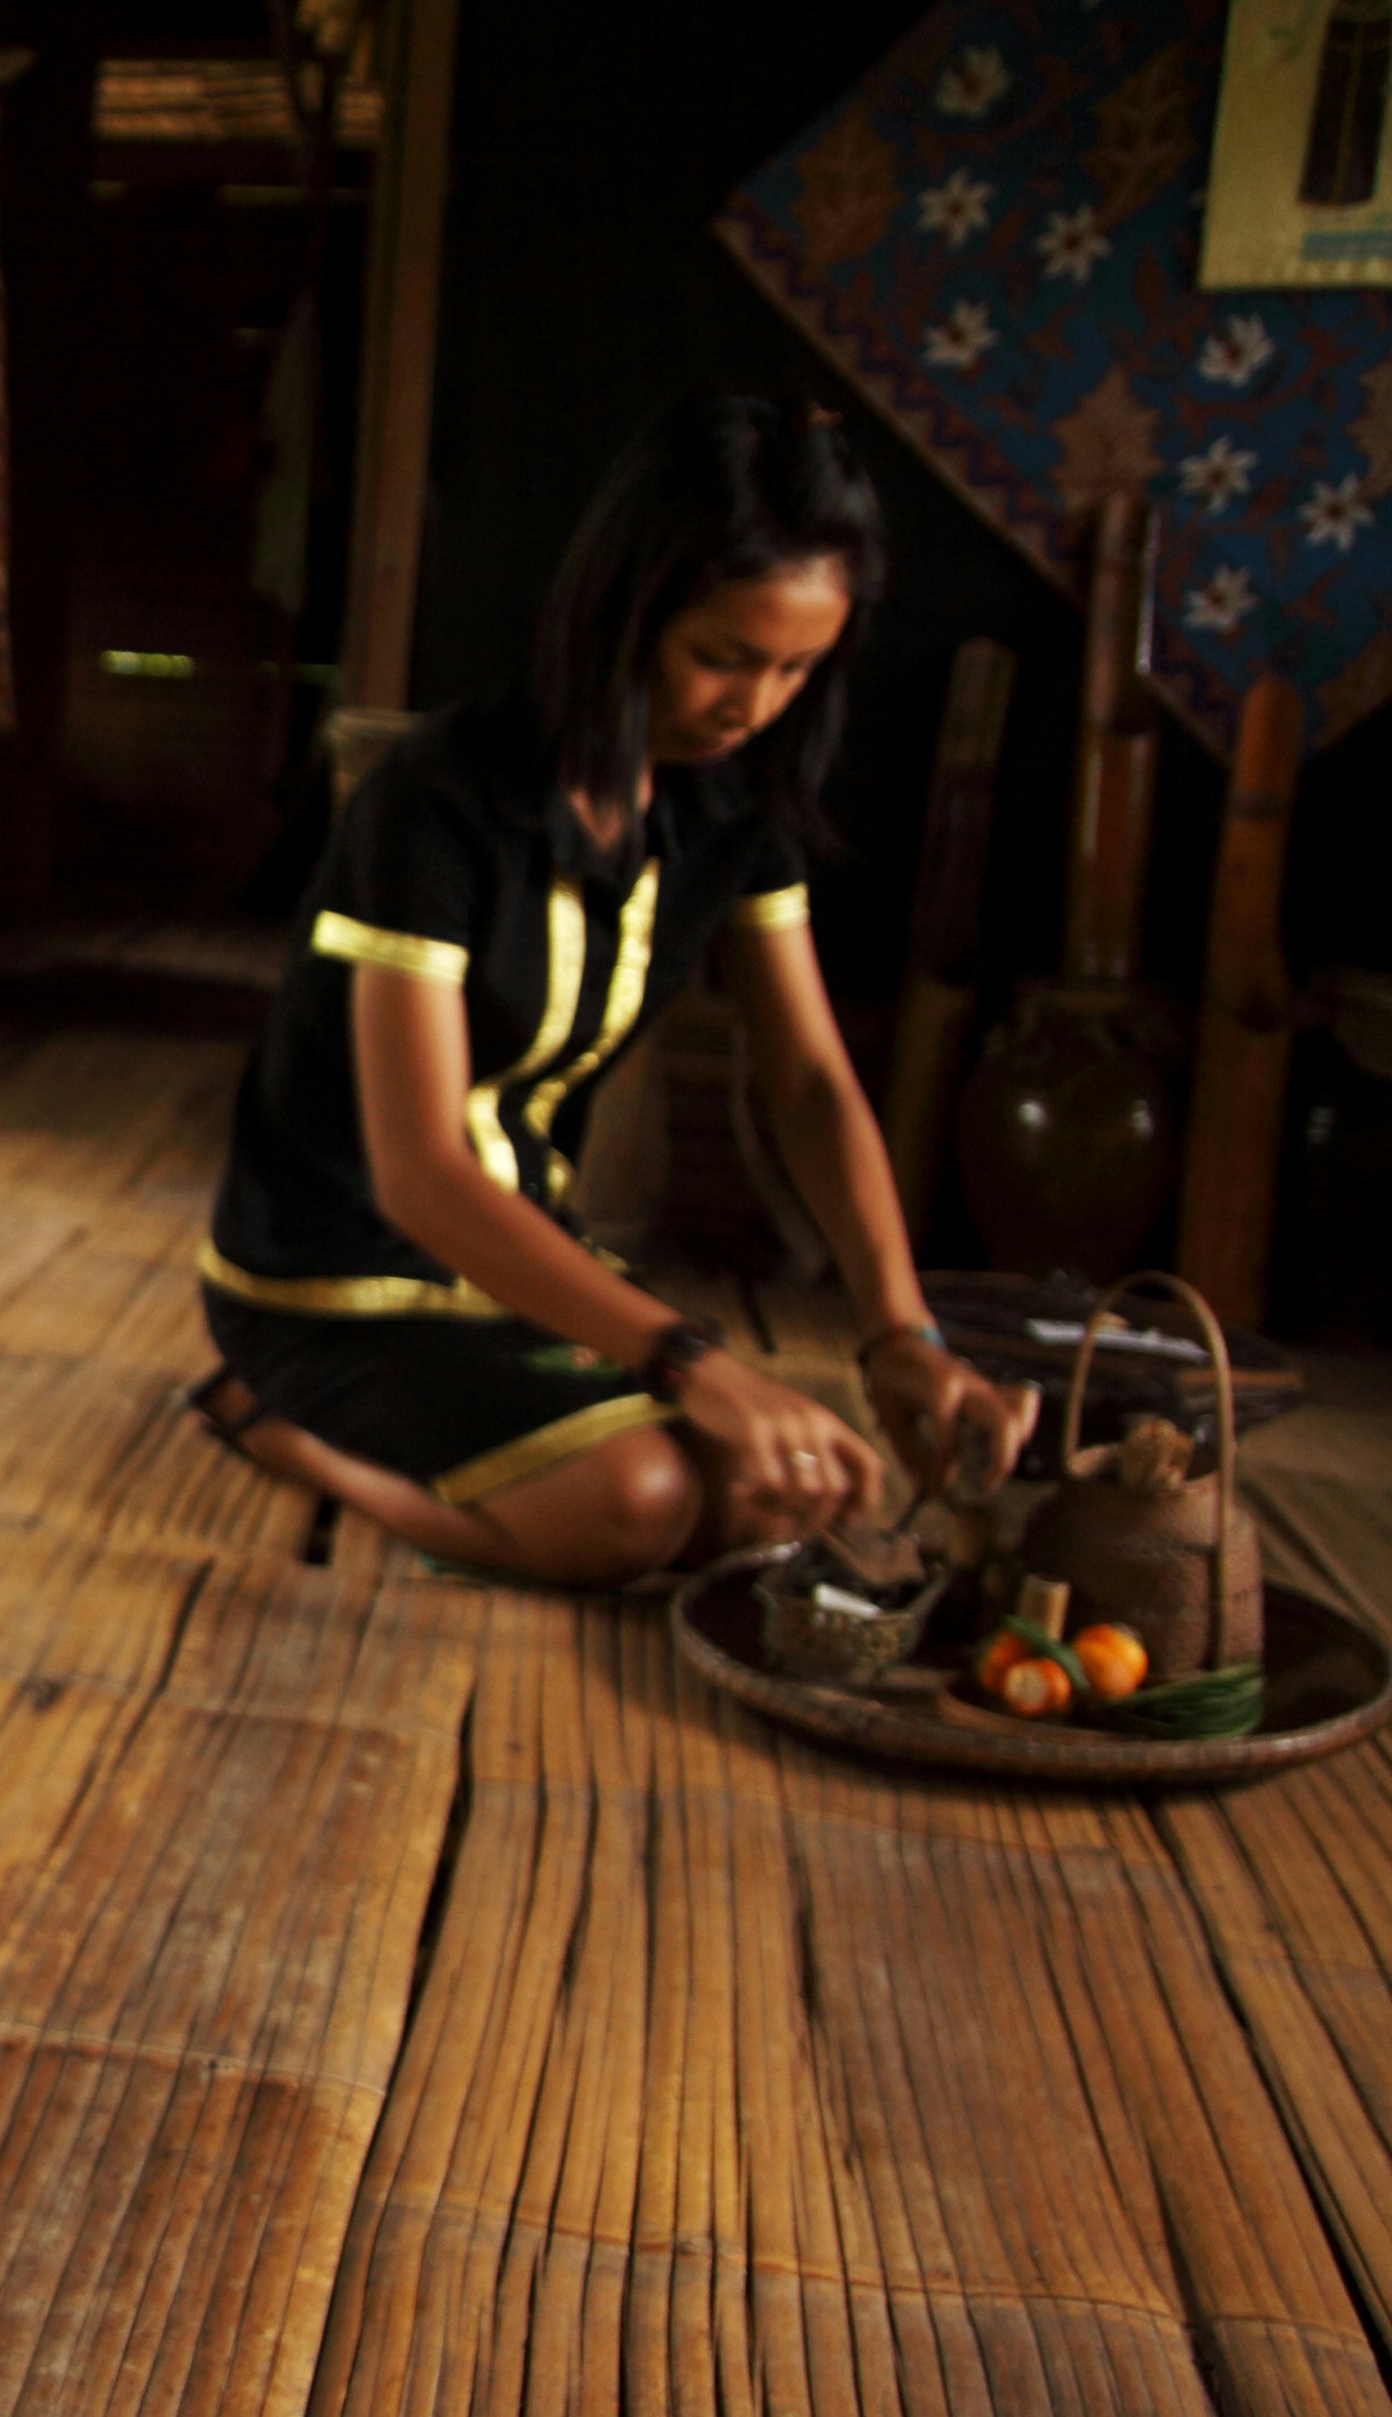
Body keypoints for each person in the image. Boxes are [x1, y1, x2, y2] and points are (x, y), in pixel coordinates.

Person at [192, 392, 1037, 1587]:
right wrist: (698, 1362)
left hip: (528, 1253)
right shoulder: (435, 800)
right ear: (624, 615)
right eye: (720, 658)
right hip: (332, 1271)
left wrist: (901, 1335)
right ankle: (275, 1426)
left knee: (768, 1496)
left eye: (797, 668)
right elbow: (419, 1171)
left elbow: (805, 1079)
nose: (753, 707)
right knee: (639, 1506)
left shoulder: (731, 800)